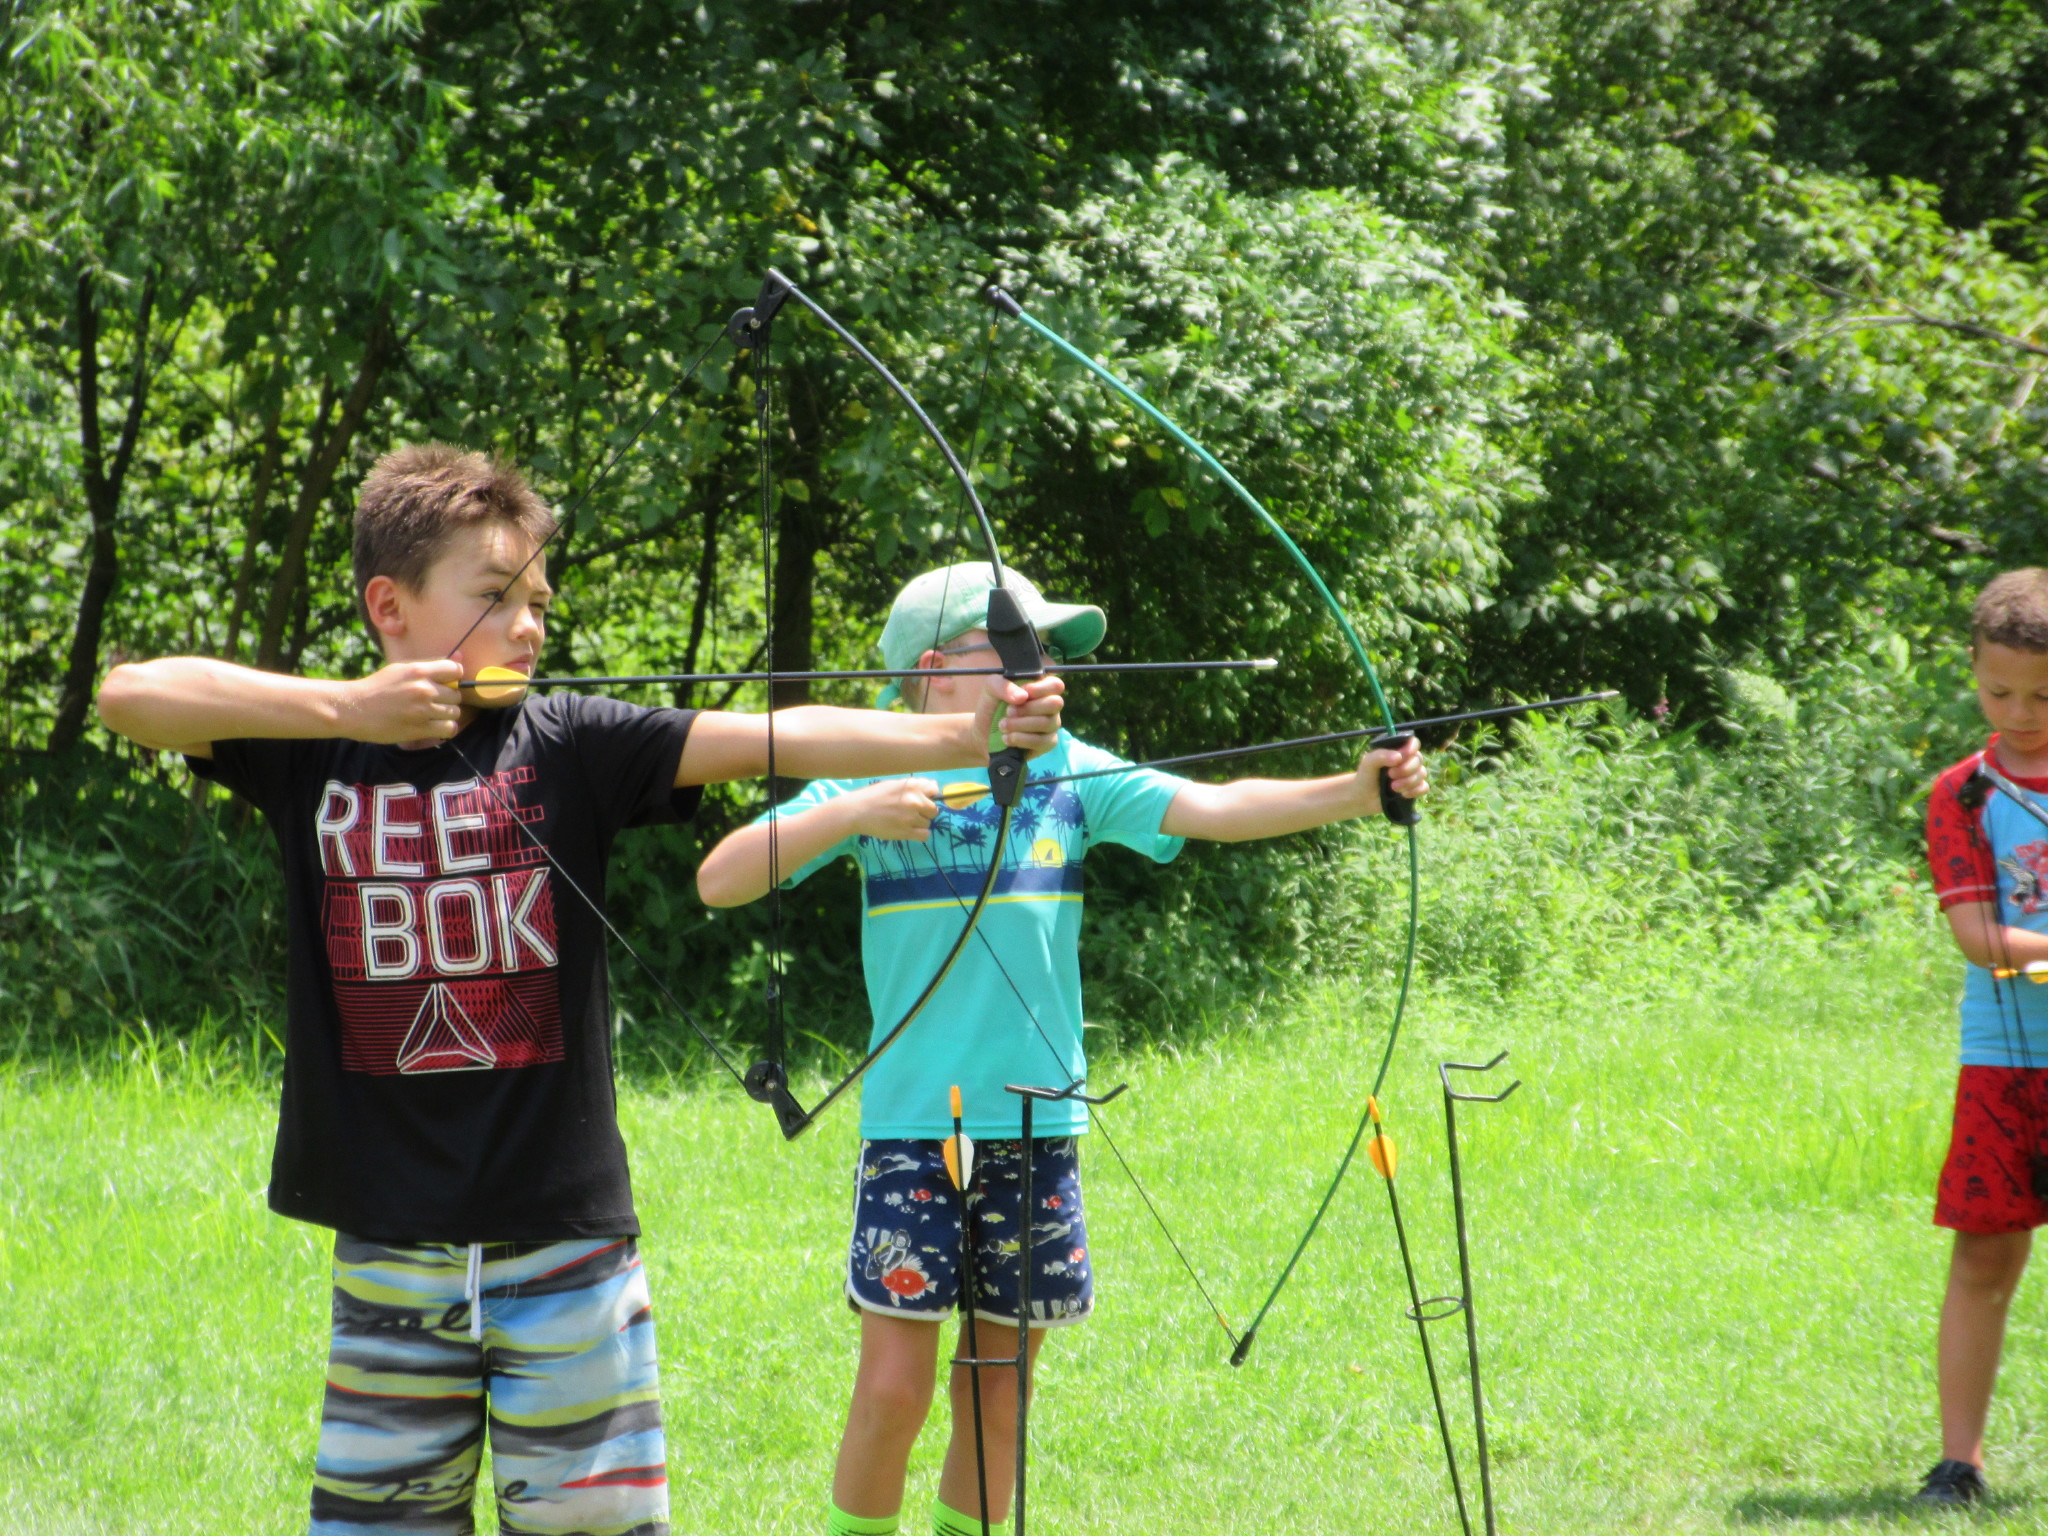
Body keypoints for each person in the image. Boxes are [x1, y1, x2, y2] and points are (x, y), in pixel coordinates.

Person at [93, 446, 1065, 1536]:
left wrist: (967, 732)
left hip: (567, 1247)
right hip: (391, 1249)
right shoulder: (313, 750)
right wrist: (345, 709)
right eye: (495, 596)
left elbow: (773, 735)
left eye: (540, 601)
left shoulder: (573, 743)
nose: (528, 624)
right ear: (390, 605)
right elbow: (129, 694)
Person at [694, 562, 1430, 1536]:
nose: (1039, 667)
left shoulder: (1069, 769)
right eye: (1016, 647)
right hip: (914, 1127)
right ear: (933, 669)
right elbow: (720, 878)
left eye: (1043, 651)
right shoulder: (870, 772)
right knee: (892, 1388)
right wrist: (849, 813)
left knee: (997, 1389)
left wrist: (1354, 790)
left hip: (1037, 1126)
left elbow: (1215, 807)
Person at [1918, 566, 2048, 1506]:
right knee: (1984, 1256)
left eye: (2042, 695)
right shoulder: (1960, 795)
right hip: (2005, 1060)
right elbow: (1981, 942)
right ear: (1972, 671)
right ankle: (1959, 1463)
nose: (2018, 711)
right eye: (1998, 690)